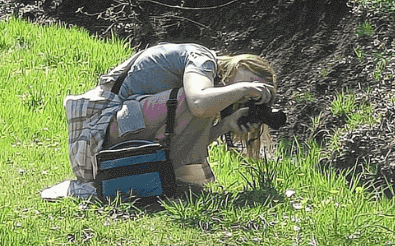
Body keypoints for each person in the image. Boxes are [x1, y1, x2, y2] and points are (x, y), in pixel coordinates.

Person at [100, 43, 277, 188]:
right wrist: (244, 88)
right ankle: (178, 184)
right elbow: (199, 104)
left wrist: (226, 124)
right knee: (193, 99)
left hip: (120, 134)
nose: (249, 93)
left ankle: (169, 184)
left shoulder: (212, 87)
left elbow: (186, 140)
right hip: (107, 127)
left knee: (199, 104)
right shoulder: (203, 59)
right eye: (254, 83)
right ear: (241, 64)